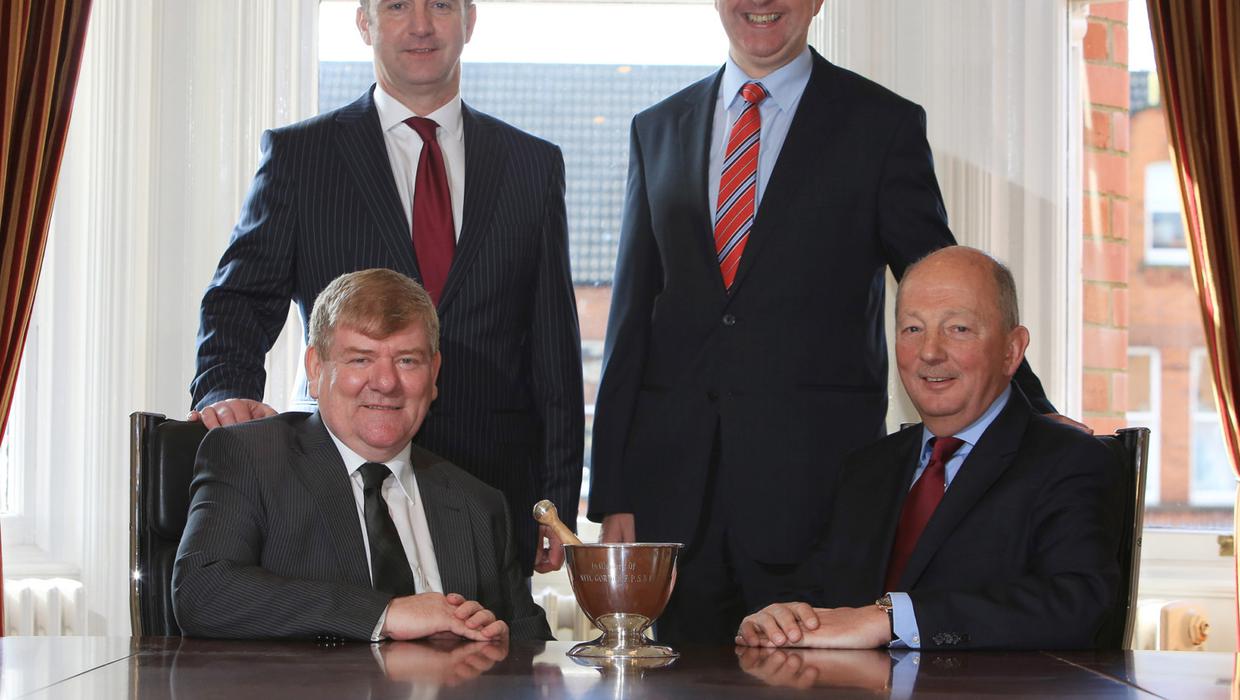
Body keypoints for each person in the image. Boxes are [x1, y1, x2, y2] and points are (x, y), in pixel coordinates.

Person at [587, 0, 1070, 644]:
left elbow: (948, 289)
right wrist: (614, 491)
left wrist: (1033, 411)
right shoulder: (656, 128)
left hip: (815, 499)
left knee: (810, 678)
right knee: (679, 684)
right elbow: (630, 320)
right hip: (674, 505)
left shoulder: (881, 125)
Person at [189, 0, 583, 578]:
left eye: (441, 5)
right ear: (364, 22)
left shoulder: (532, 165)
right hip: (344, 483)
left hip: (492, 493)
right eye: (397, 5)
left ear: (470, 21)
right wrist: (227, 393)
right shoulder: (301, 157)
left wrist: (556, 498)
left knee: (488, 637)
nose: (420, 25)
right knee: (351, 633)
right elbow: (240, 301)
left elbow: (553, 347)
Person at [735, 247, 1121, 650]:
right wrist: (778, 618)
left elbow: (1076, 606)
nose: (930, 352)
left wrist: (891, 619)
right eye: (912, 329)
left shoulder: (1070, 460)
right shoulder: (869, 468)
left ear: (1011, 351)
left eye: (958, 328)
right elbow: (819, 592)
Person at [174, 269, 554, 641]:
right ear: (315, 369)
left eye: (407, 360)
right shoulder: (251, 458)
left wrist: (502, 649)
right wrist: (385, 614)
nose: (386, 382)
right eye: (360, 359)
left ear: (434, 373)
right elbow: (202, 592)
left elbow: (533, 647)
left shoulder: (480, 505)